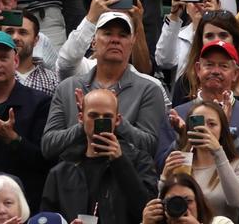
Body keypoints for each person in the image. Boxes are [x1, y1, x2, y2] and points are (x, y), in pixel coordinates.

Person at [40, 87, 155, 221]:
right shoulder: (62, 171)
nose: (99, 121)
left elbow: (148, 211)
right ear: (81, 118)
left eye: (107, 116)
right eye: (93, 116)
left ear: (117, 120)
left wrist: (120, 162)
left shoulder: (140, 161)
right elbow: (47, 218)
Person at [0, 30, 51, 209]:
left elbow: (47, 161)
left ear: (16, 61)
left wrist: (13, 139)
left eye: (3, 58)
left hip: (23, 203)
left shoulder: (40, 103)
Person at [159, 99, 239, 219]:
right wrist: (164, 179)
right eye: (197, 123)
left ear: (222, 129)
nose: (204, 129)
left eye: (211, 124)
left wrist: (218, 152)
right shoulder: (181, 162)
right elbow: (165, 209)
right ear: (189, 128)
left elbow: (237, 201)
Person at [139, 172, 234, 224]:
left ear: (198, 203)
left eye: (188, 201)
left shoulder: (221, 222)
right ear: (162, 205)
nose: (180, 206)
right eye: (172, 201)